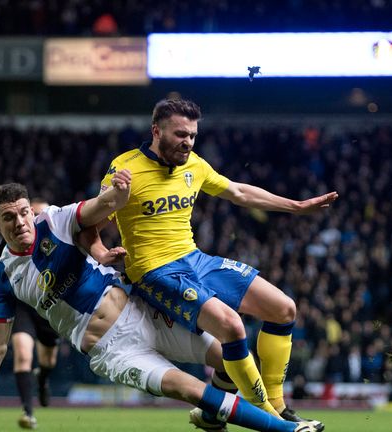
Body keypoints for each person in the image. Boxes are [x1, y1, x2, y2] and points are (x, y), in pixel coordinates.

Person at [0, 174, 316, 432]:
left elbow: (100, 207)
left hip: (142, 312)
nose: (20, 222)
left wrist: (118, 191)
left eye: (22, 212)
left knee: (227, 355)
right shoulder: (4, 275)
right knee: (187, 388)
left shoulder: (56, 220)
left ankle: (216, 419)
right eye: (8, 218)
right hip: (109, 348)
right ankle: (285, 428)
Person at [99, 98, 337, 429]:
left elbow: (238, 192)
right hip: (155, 271)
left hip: (195, 259)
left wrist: (295, 206)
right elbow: (93, 219)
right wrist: (101, 254)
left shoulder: (194, 165)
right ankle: (269, 417)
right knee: (232, 327)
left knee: (284, 309)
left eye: (193, 136)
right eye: (181, 134)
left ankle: (269, 408)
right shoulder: (125, 168)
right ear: (157, 131)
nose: (188, 142)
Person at [0, 198, 127, 429]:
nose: (32, 220)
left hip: (50, 305)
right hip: (23, 307)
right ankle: (28, 412)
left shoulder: (56, 232)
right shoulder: (10, 241)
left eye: (38, 214)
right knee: (23, 353)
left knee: (48, 360)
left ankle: (42, 378)